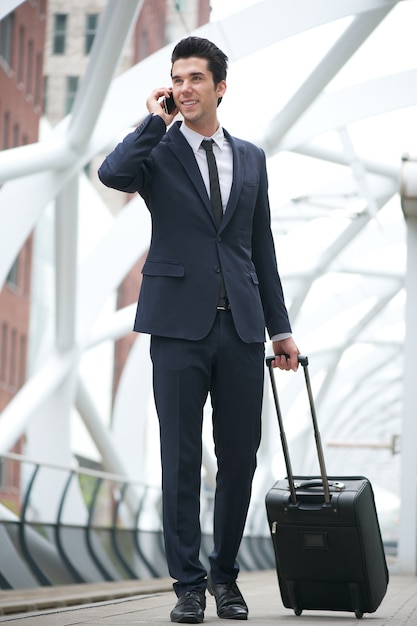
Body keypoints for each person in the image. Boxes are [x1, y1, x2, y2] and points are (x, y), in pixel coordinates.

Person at [98, 36, 299, 624]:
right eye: (176, 79)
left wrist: (280, 329)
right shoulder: (157, 151)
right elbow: (112, 174)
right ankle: (187, 585)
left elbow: (259, 247)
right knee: (180, 461)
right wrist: (151, 121)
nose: (184, 89)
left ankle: (224, 575)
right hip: (177, 327)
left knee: (239, 458)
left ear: (219, 88)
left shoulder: (253, 158)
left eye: (194, 80)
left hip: (241, 327)